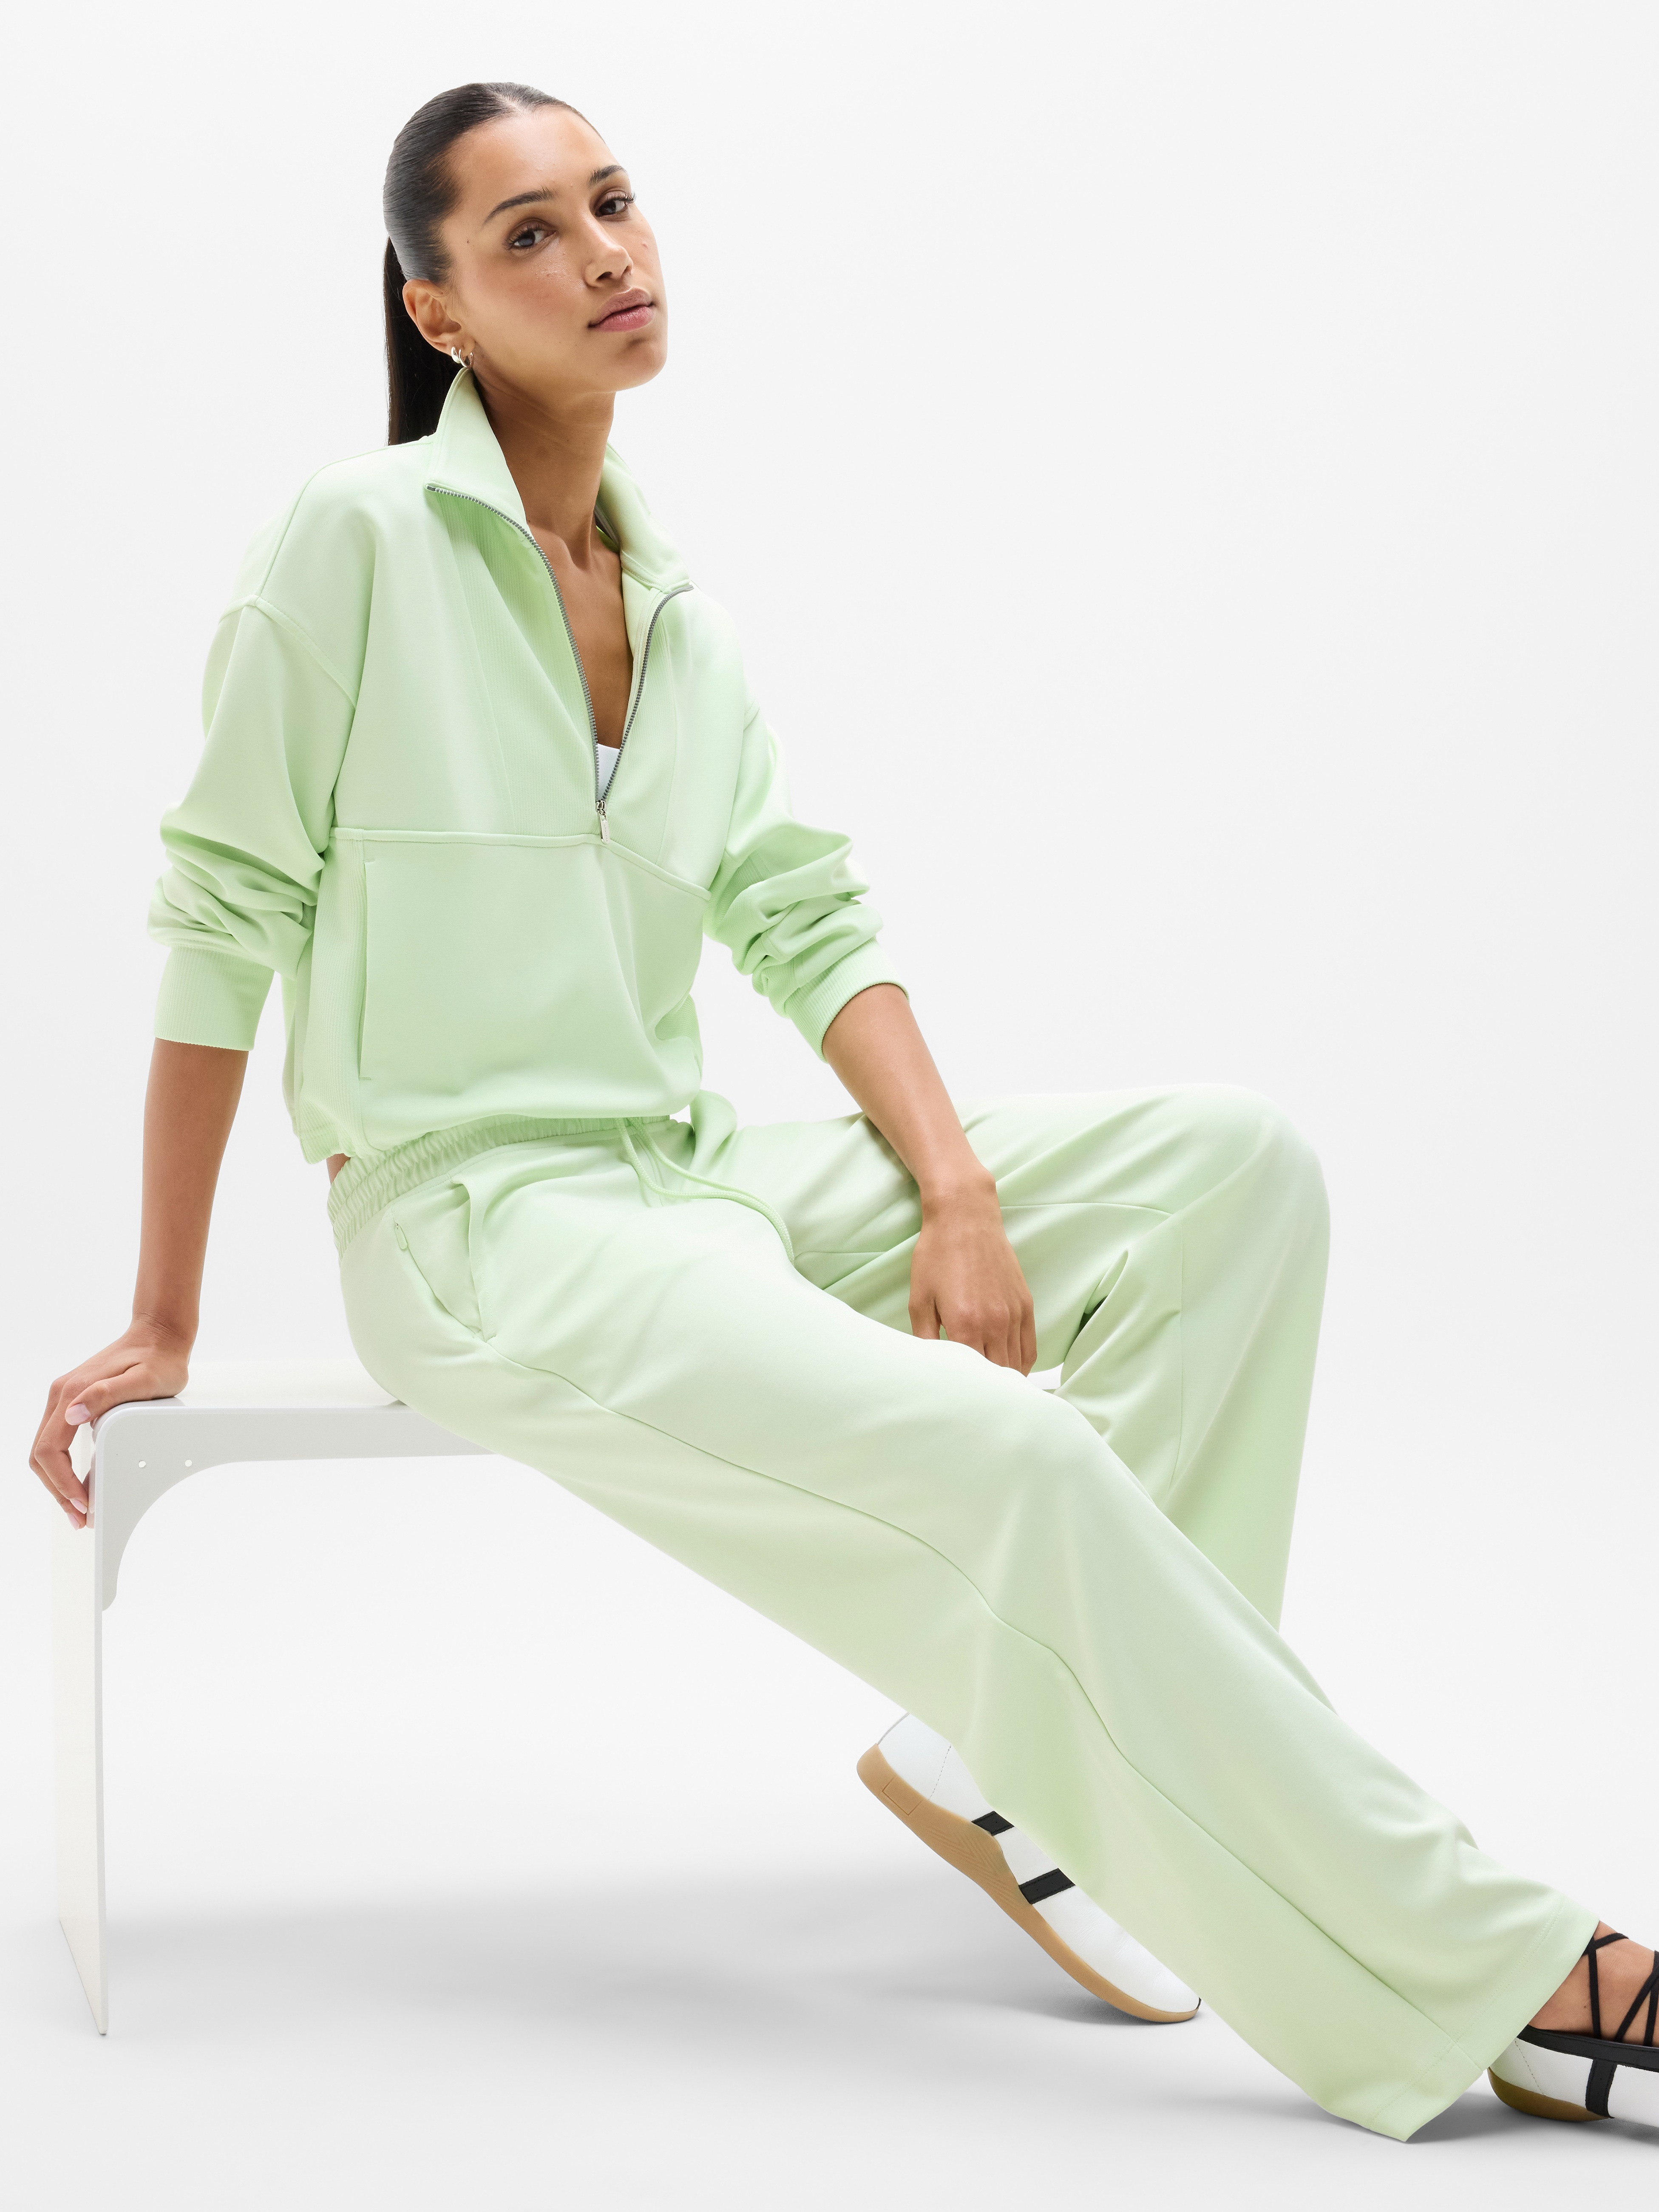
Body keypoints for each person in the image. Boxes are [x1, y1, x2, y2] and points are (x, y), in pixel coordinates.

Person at [30, 81, 1658, 2139]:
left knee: (1232, 1174)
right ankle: (1498, 1972)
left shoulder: (670, 598)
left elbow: (796, 909)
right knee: (1016, 1453)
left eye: (612, 203)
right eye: (528, 234)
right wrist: (162, 1310)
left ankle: (1019, 1768)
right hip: (477, 1224)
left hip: (684, 1177)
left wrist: (956, 1193)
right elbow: (223, 914)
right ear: (435, 313)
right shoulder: (353, 543)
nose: (603, 254)